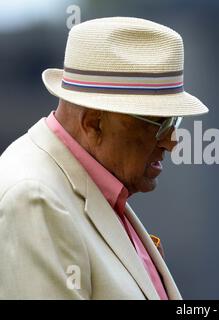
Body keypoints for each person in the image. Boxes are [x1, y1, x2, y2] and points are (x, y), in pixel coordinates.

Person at [0, 17, 208, 299]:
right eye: (159, 123)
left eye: (175, 121)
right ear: (94, 123)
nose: (171, 141)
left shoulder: (88, 187)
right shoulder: (35, 199)